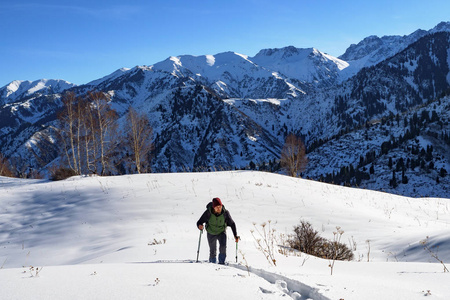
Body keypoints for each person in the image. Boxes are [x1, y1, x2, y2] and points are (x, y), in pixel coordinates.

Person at [196, 197, 239, 264]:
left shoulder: (225, 213)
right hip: (211, 232)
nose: (219, 208)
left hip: (221, 232)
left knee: (223, 248)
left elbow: (232, 223)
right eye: (217, 207)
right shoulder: (208, 213)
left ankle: (221, 263)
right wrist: (200, 226)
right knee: (212, 251)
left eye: (220, 206)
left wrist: (235, 235)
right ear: (213, 207)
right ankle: (212, 264)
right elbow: (199, 222)